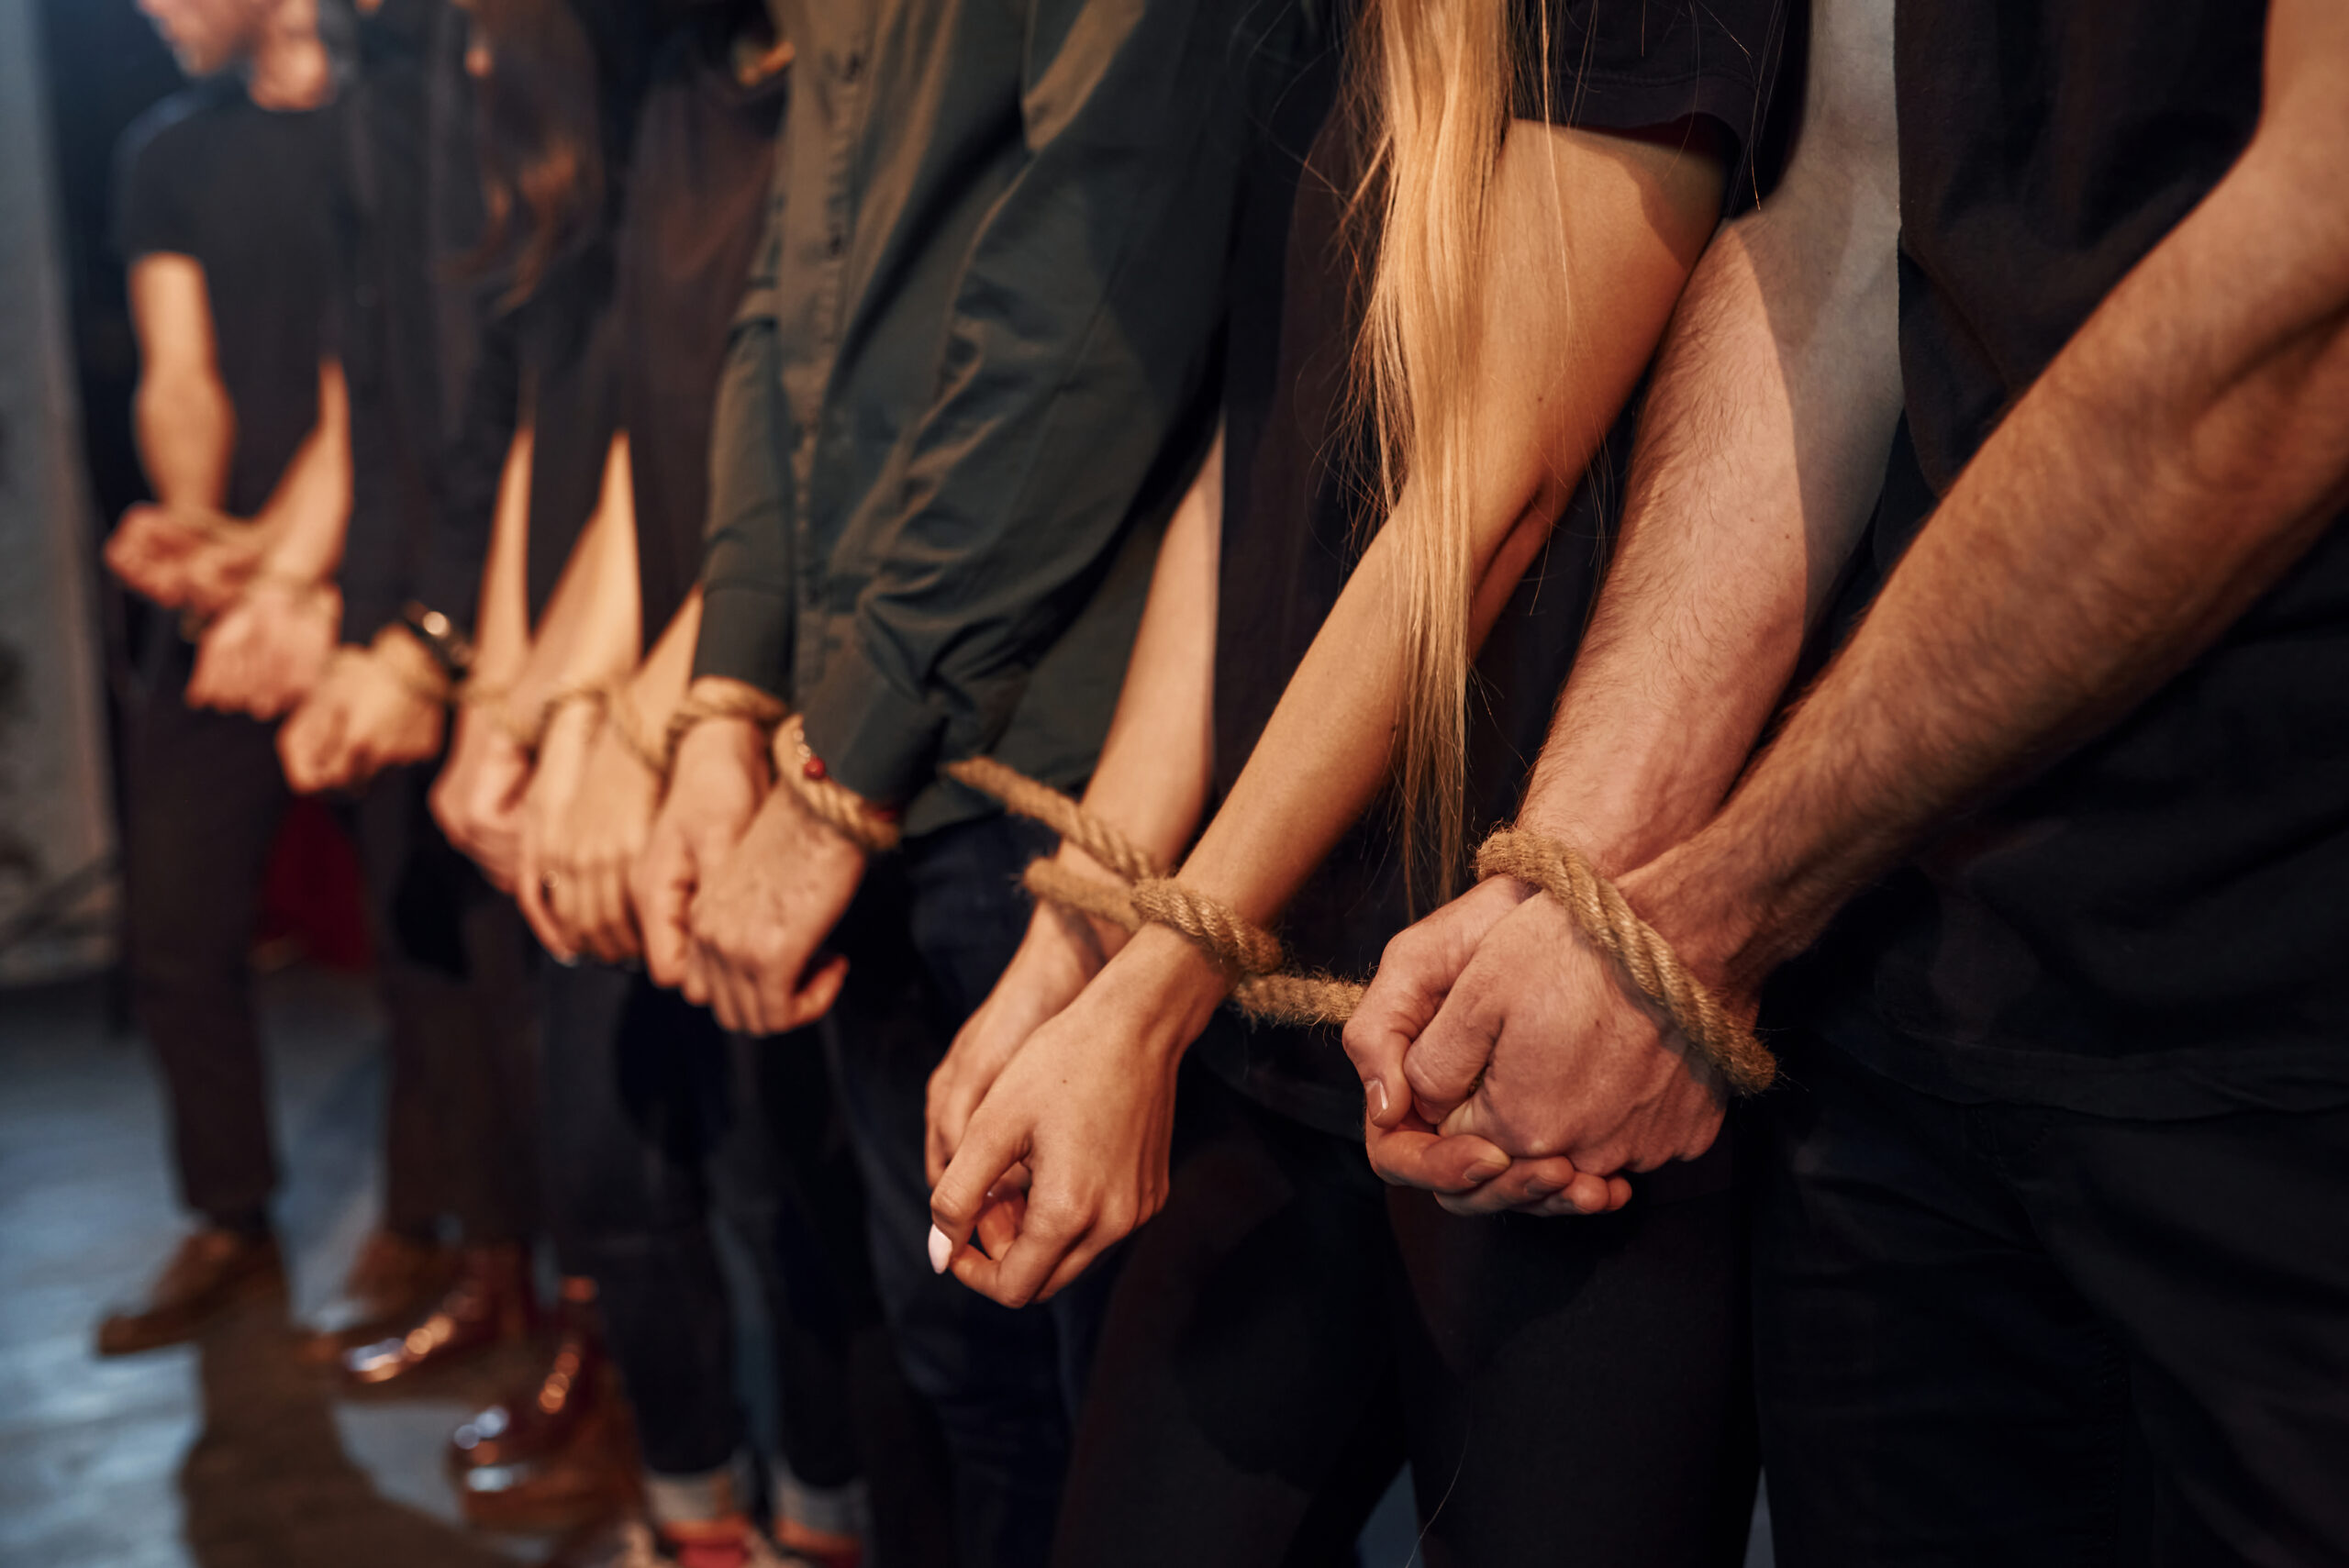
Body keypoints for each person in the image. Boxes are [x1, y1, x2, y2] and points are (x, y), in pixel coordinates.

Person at [1347, 0, 2349, 1562]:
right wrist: (1573, 892)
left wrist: (1723, 907)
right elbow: (1846, 220)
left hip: (2286, 1041)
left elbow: (2307, 299)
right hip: (1910, 1030)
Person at [920, 1, 1793, 1560]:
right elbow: (1247, 469)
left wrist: (1148, 989)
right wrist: (1084, 941)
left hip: (1537, 1031)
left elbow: (1486, 493)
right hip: (1269, 987)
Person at [630, 3, 1295, 1561]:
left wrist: (832, 768)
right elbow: (781, 315)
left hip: (1059, 769)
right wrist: (730, 705)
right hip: (868, 741)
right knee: (958, 1373)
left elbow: (1094, 271)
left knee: (1117, 1431)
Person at [423, 6, 904, 1562]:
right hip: (670, 679)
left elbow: (833, 449)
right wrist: (535, 705)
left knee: (794, 1190)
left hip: (798, 690)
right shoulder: (682, 85)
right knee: (608, 1156)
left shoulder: (871, 67)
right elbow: (637, 437)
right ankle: (697, 1518)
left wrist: (643, 721)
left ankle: (824, 1523)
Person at [95, 0, 524, 1361]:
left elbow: (370, 389)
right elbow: (178, 374)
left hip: (370, 575)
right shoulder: (167, 152)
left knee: (418, 931)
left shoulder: (397, 119)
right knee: (175, 920)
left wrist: (294, 579)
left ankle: (429, 1219)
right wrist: (204, 543)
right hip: (250, 585)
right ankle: (231, 1214)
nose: (148, 11)